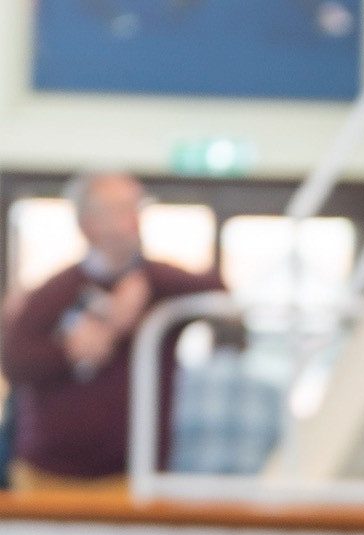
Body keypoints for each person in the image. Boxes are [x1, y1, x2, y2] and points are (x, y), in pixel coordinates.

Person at [0, 172, 223, 490]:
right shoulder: (53, 293)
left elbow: (222, 294)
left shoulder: (160, 283)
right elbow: (14, 362)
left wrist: (145, 288)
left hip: (133, 475)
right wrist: (70, 351)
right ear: (89, 224)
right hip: (48, 474)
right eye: (120, 209)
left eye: (137, 207)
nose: (132, 218)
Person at [170, 320, 282, 476]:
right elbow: (277, 442)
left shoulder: (182, 380)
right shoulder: (270, 390)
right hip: (246, 493)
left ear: (212, 340)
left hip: (184, 492)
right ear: (246, 343)